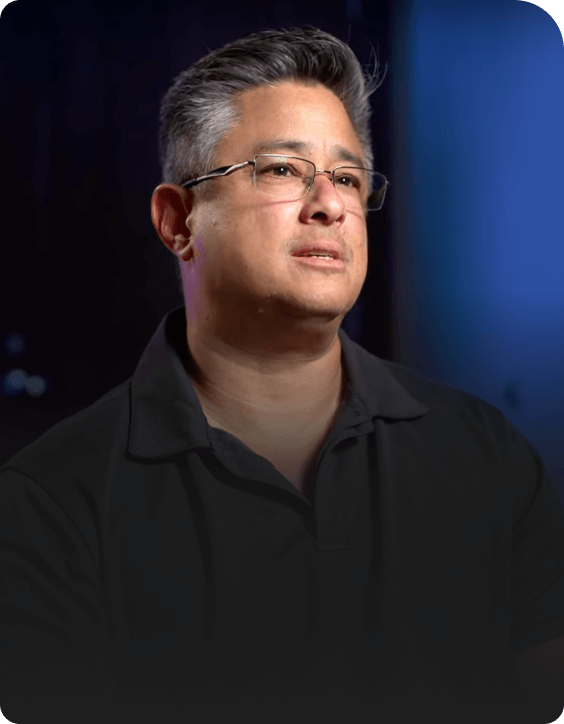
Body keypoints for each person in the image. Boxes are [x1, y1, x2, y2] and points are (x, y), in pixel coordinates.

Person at [1, 25, 564, 724]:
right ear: (178, 221)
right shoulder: (53, 502)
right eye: (282, 170)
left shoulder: (485, 455)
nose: (330, 204)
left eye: (348, 178)